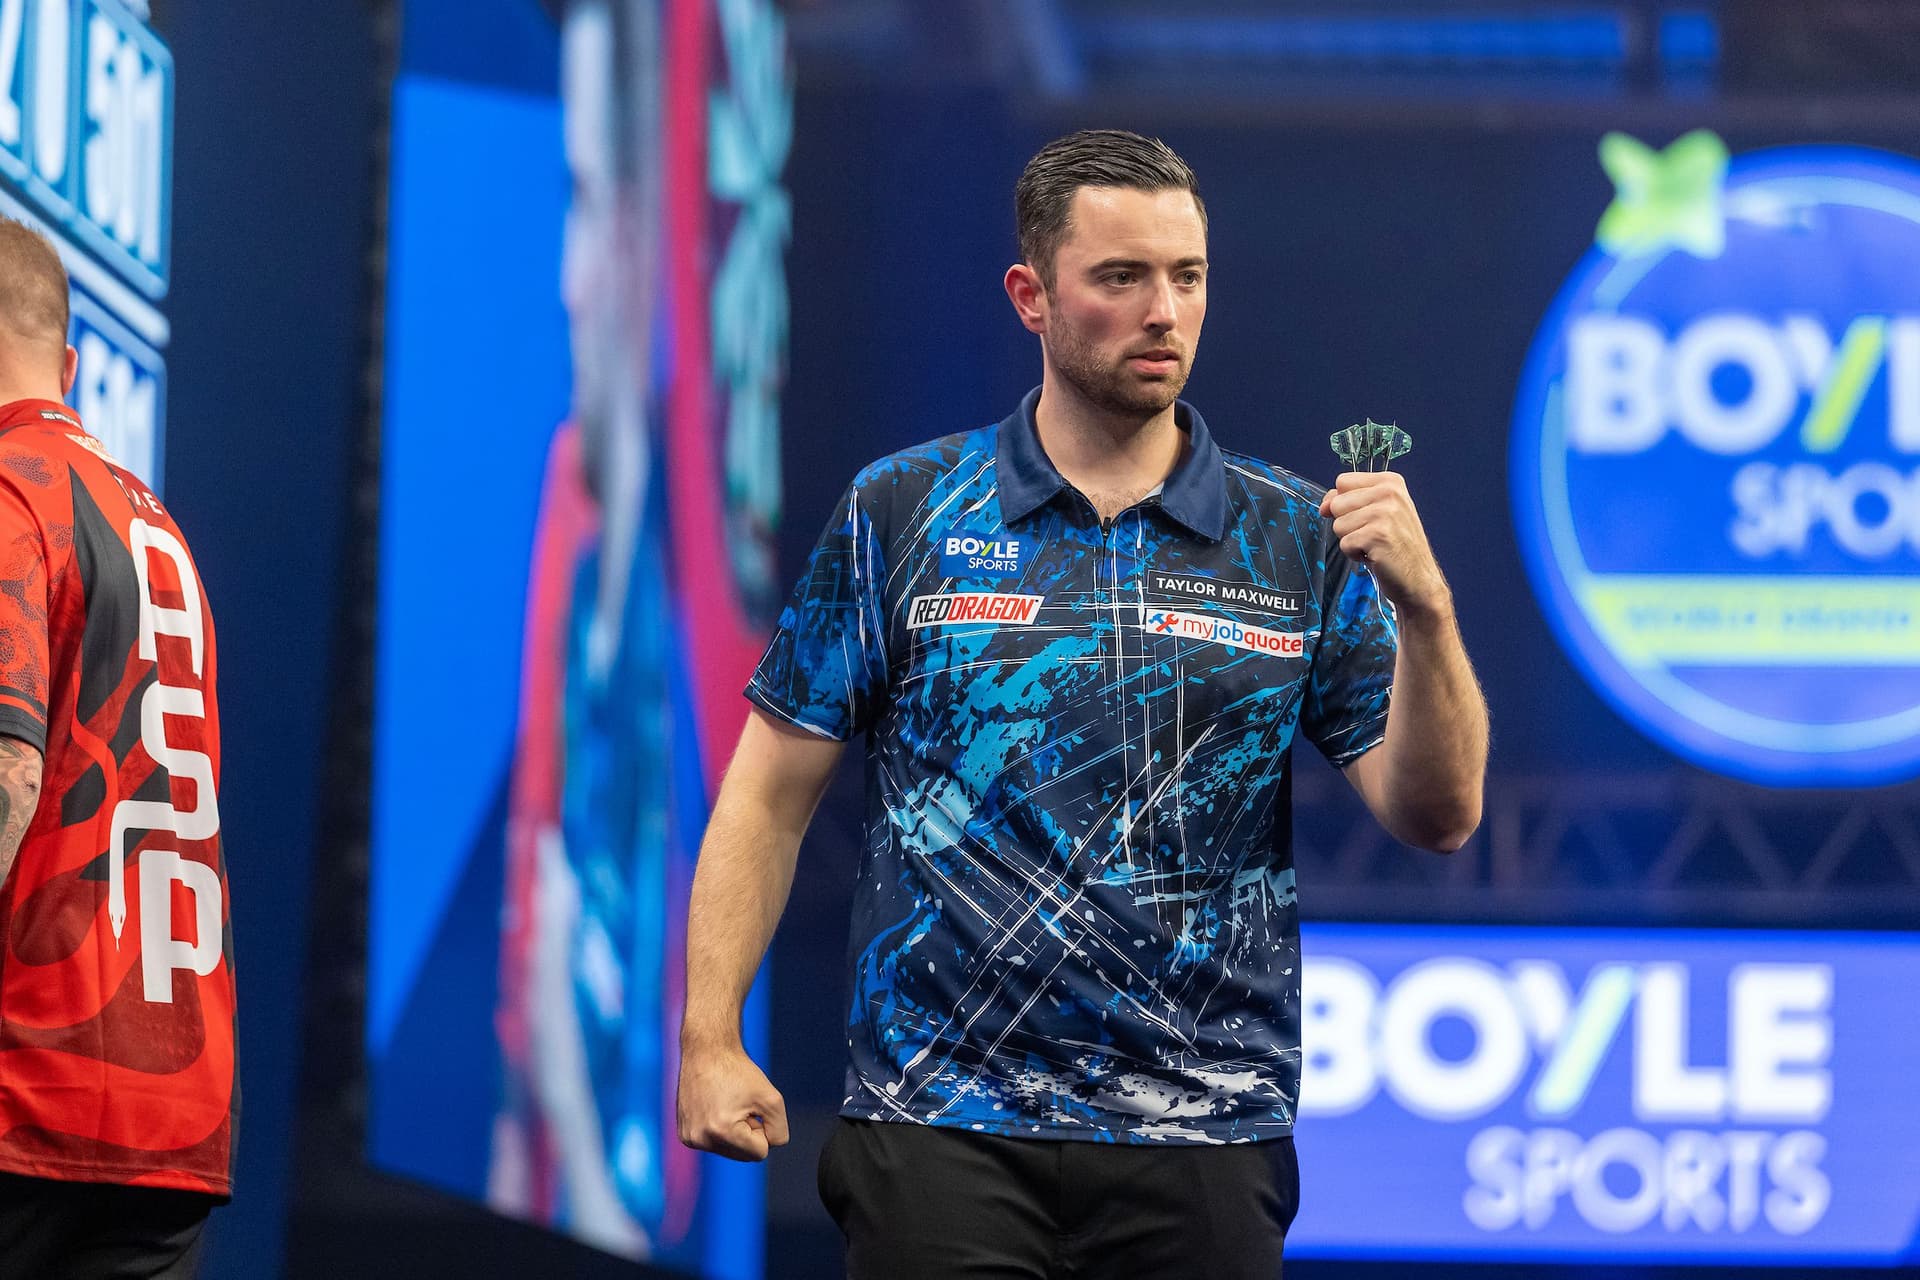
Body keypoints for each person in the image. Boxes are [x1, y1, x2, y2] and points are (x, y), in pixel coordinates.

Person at [677, 130, 1489, 1277]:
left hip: (1207, 1132)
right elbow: (767, 793)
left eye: (1187, 276)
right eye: (1122, 276)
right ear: (1032, 297)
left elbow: (1438, 814)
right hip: (939, 1119)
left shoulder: (1295, 534)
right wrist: (708, 1035)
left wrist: (1429, 610)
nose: (1164, 311)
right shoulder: (903, 509)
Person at [0, 219, 233, 1278]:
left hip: (28, 1091)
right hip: (170, 1116)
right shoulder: (162, 530)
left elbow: (9, 768)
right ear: (69, 365)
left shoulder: (13, 493)